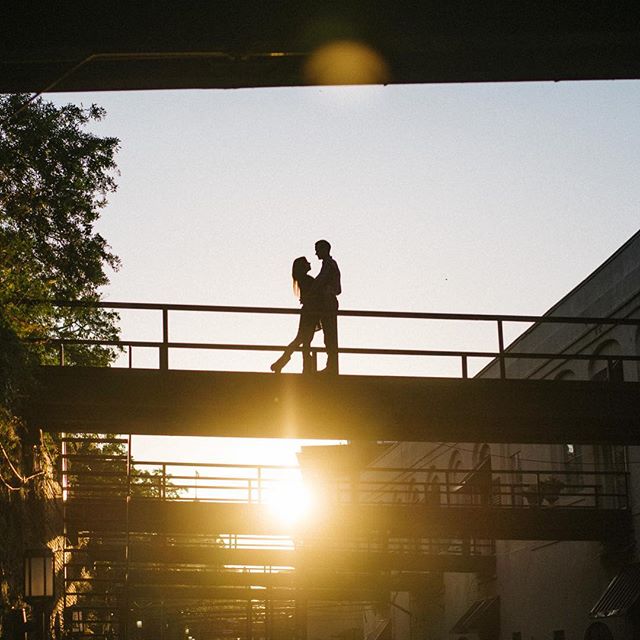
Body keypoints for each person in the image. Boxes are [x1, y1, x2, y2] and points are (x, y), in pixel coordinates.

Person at [270, 256, 321, 373]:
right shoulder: (307, 279)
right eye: (306, 262)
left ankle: (286, 363)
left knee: (303, 340)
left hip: (308, 312)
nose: (309, 263)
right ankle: (292, 364)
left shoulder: (303, 279)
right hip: (310, 313)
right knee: (303, 340)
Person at [312, 239, 341, 373]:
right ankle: (331, 365)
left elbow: (321, 280)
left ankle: (331, 366)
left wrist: (310, 292)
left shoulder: (329, 264)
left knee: (329, 334)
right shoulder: (330, 264)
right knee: (329, 334)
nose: (316, 252)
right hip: (328, 301)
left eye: (318, 249)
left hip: (328, 302)